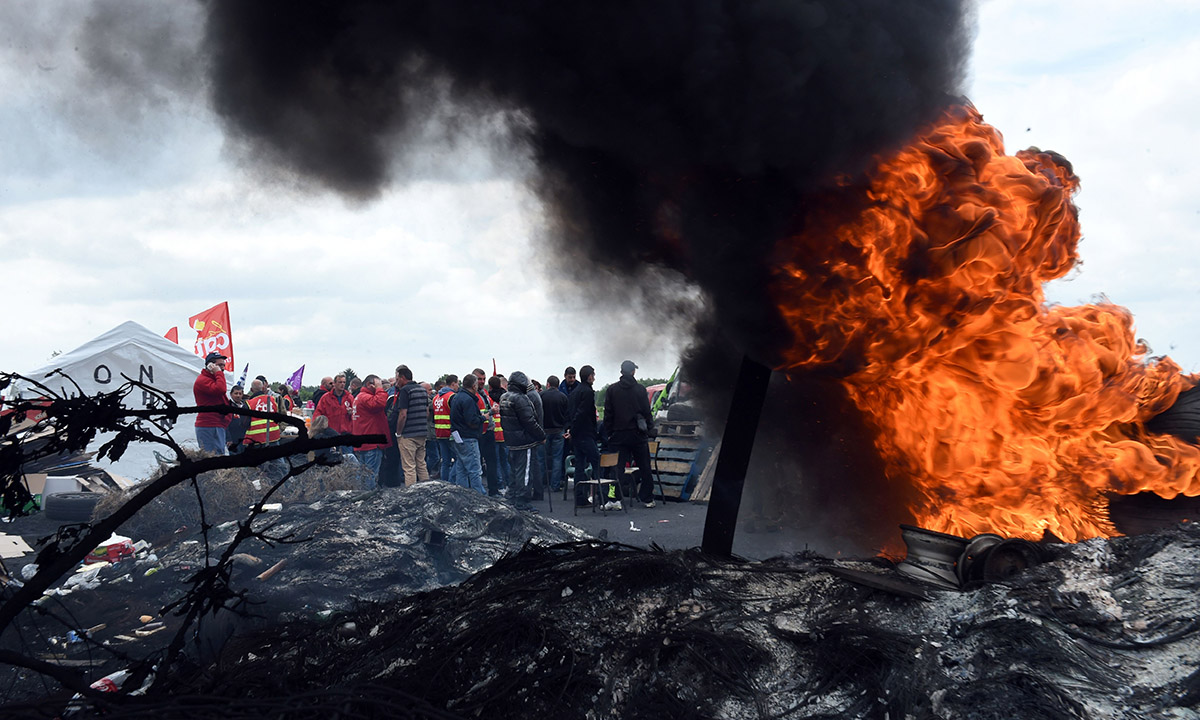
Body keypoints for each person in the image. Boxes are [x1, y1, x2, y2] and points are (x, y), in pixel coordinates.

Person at [604, 360, 657, 508]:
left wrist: (609, 433)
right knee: (645, 466)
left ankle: (614, 499)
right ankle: (647, 498)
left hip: (618, 435)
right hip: (638, 434)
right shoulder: (640, 390)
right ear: (633, 372)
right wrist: (650, 428)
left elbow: (608, 414)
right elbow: (647, 412)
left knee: (616, 469)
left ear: (621, 372)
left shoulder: (612, 390)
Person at [500, 371, 545, 512]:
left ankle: (512, 497)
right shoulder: (521, 399)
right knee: (525, 473)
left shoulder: (504, 397)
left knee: (514, 471)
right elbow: (529, 422)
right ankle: (522, 501)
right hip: (524, 442)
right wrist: (541, 435)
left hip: (511, 441)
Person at [568, 364, 601, 507]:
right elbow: (582, 414)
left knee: (579, 467)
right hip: (585, 434)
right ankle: (604, 496)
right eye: (593, 375)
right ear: (589, 376)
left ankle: (580, 497)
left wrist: (572, 431)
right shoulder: (587, 392)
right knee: (598, 462)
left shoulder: (575, 392)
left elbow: (572, 413)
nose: (594, 377)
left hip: (577, 435)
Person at [393, 365, 431, 486]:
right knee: (421, 464)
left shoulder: (405, 391)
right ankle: (428, 490)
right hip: (422, 432)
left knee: (409, 467)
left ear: (403, 378)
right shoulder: (422, 390)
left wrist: (398, 432)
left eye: (397, 378)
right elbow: (427, 412)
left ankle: (411, 495)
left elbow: (403, 414)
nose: (396, 381)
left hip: (408, 434)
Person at [449, 373, 487, 494]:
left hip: (458, 437)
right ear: (474, 385)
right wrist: (483, 418)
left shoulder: (456, 397)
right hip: (468, 437)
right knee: (474, 470)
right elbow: (471, 421)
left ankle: (462, 495)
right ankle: (480, 497)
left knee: (462, 468)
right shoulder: (468, 400)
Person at [352, 374, 388, 486]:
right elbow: (380, 403)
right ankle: (368, 499)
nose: (380, 387)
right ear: (369, 384)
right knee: (370, 475)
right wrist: (380, 390)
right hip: (371, 443)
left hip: (363, 442)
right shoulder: (366, 397)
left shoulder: (359, 397)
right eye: (378, 384)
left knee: (364, 474)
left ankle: (362, 497)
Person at [193, 351, 229, 454]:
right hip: (210, 425)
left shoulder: (210, 379)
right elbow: (221, 389)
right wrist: (218, 373)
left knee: (218, 456)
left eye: (223, 365)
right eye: (219, 365)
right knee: (214, 458)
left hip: (215, 424)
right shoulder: (203, 380)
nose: (222, 368)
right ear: (210, 365)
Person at [473, 368, 501, 497]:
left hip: (488, 431)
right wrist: (490, 412)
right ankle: (477, 492)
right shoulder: (471, 395)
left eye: (483, 379)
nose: (482, 381)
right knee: (476, 464)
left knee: (492, 462)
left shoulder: (484, 393)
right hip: (478, 433)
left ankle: (494, 490)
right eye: (479, 379)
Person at [315, 373, 356, 456]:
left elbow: (356, 415)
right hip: (331, 434)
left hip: (346, 434)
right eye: (340, 382)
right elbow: (318, 413)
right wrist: (316, 430)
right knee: (332, 460)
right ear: (335, 383)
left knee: (348, 460)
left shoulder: (350, 397)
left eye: (344, 382)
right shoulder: (326, 398)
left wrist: (351, 413)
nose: (342, 384)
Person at [541, 375, 569, 493]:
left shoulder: (541, 396)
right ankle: (555, 485)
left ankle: (542, 484)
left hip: (544, 431)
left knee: (542, 458)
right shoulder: (563, 397)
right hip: (558, 430)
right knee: (557, 459)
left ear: (548, 384)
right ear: (558, 385)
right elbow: (567, 415)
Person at [432, 375, 458, 482]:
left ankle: (444, 483)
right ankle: (451, 482)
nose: (458, 386)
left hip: (439, 432)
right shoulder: (451, 397)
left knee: (445, 461)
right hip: (451, 433)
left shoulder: (436, 397)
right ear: (453, 384)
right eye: (457, 384)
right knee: (459, 459)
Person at [243, 378, 282, 447]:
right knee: (277, 457)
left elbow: (245, 423)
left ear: (251, 390)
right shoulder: (273, 400)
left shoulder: (248, 404)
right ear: (263, 388)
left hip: (256, 439)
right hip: (273, 436)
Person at [225, 384, 250, 454]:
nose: (238, 395)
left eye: (240, 393)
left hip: (244, 439)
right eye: (236, 393)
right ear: (231, 394)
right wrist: (228, 439)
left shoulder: (246, 406)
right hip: (233, 440)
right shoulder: (228, 406)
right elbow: (225, 424)